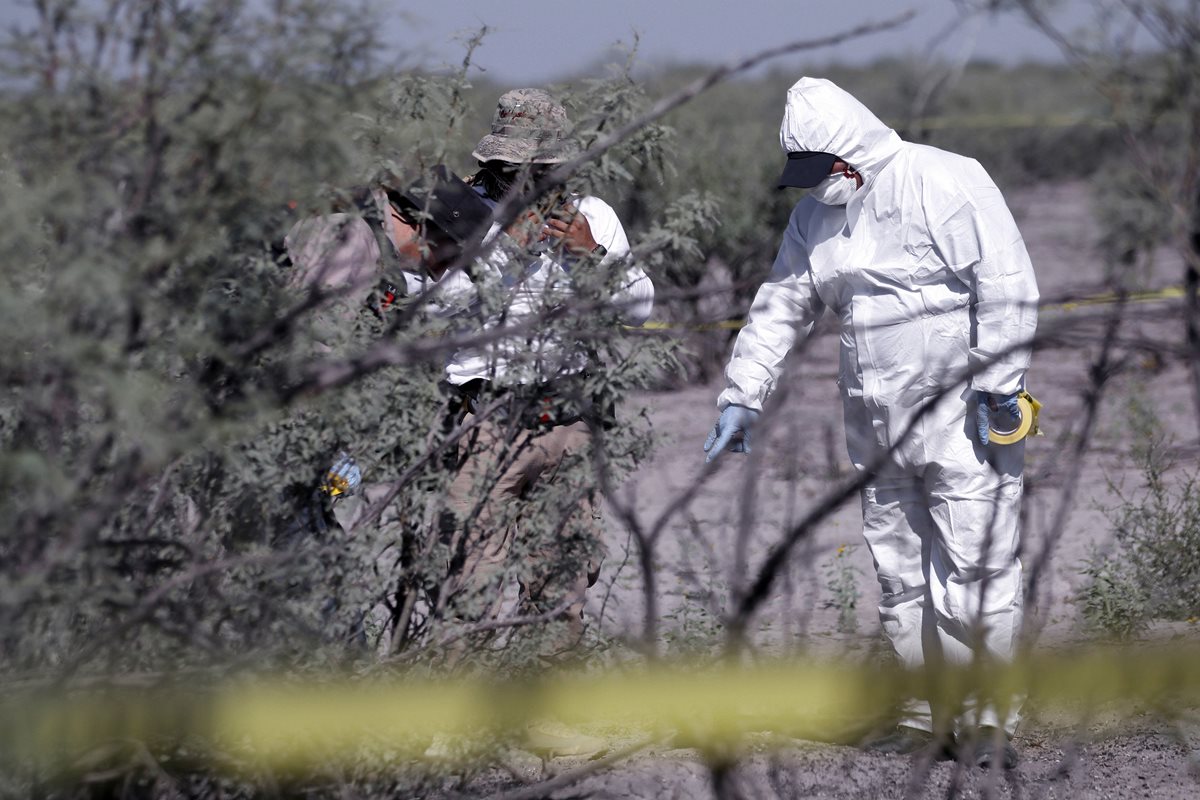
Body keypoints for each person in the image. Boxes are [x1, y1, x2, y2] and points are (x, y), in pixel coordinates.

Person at [703, 77, 1038, 769]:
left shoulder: (947, 179)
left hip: (963, 416)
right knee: (900, 572)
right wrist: (744, 392)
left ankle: (987, 720)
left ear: (852, 151)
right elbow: (781, 304)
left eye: (823, 171)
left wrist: (1002, 385)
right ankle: (923, 718)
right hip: (874, 423)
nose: (818, 185)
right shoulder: (814, 218)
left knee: (975, 564)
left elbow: (1006, 286)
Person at [436, 88, 654, 667]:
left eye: (540, 169)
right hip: (486, 417)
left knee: (561, 576)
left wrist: (593, 253)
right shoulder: (460, 211)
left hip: (567, 416)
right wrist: (504, 252)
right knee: (471, 572)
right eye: (514, 169)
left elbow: (637, 308)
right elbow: (432, 308)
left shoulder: (593, 213)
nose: (526, 181)